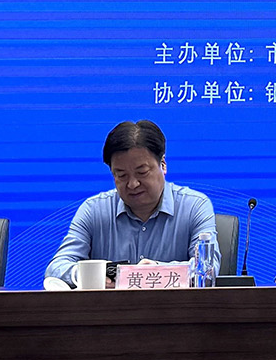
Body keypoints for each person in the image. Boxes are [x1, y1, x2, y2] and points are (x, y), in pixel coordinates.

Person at [45, 119, 215, 287]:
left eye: (142, 172)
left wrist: (157, 272)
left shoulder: (194, 206)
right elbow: (56, 268)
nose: (132, 184)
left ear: (163, 165)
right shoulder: (94, 210)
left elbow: (208, 267)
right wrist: (95, 273)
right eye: (121, 175)